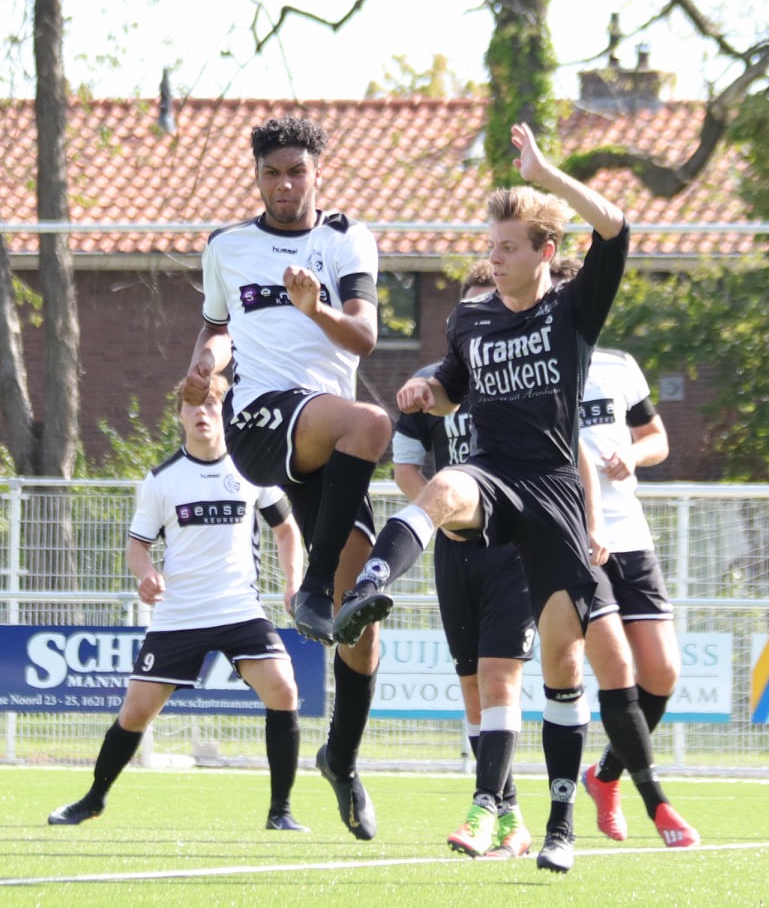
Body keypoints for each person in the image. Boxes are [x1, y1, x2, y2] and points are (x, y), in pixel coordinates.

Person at [333, 122, 698, 874]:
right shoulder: (470, 317)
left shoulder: (572, 310)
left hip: (557, 491)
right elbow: (449, 393)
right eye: (489, 246)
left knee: (565, 668)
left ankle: (562, 824)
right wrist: (425, 390)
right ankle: (372, 583)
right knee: (441, 488)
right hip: (492, 476)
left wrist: (547, 174)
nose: (492, 258)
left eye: (506, 247)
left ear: (544, 252)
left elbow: (616, 225)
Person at [181, 116, 391, 840]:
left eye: (296, 170)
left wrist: (316, 307)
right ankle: (309, 588)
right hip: (263, 422)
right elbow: (215, 325)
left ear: (316, 171)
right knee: (373, 424)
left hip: (324, 440)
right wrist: (205, 362)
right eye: (272, 172)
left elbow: (363, 336)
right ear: (257, 175)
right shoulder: (228, 247)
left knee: (361, 622)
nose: (284, 184)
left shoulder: (345, 241)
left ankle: (342, 757)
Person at [49, 371, 308, 831]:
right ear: (179, 415)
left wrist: (293, 582)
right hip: (179, 615)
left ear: (225, 411)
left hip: (238, 611)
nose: (202, 413)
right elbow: (137, 546)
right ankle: (92, 800)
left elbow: (287, 530)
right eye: (193, 405)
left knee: (284, 689)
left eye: (211, 404)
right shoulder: (162, 480)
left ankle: (280, 812)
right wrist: (146, 573)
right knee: (134, 713)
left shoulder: (253, 469)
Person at [391, 263, 536, 859]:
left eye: (491, 309)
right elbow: (405, 470)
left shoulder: (526, 375)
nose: (480, 323)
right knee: (474, 690)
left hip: (514, 548)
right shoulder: (428, 384)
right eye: (470, 313)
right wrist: (441, 515)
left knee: (503, 680)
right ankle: (511, 816)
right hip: (454, 550)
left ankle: (480, 809)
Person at [575, 344, 676, 843]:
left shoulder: (618, 365)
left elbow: (656, 438)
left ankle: (605, 774)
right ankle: (656, 803)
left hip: (629, 535)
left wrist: (631, 455)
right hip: (573, 538)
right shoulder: (534, 363)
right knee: (616, 670)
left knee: (661, 672)